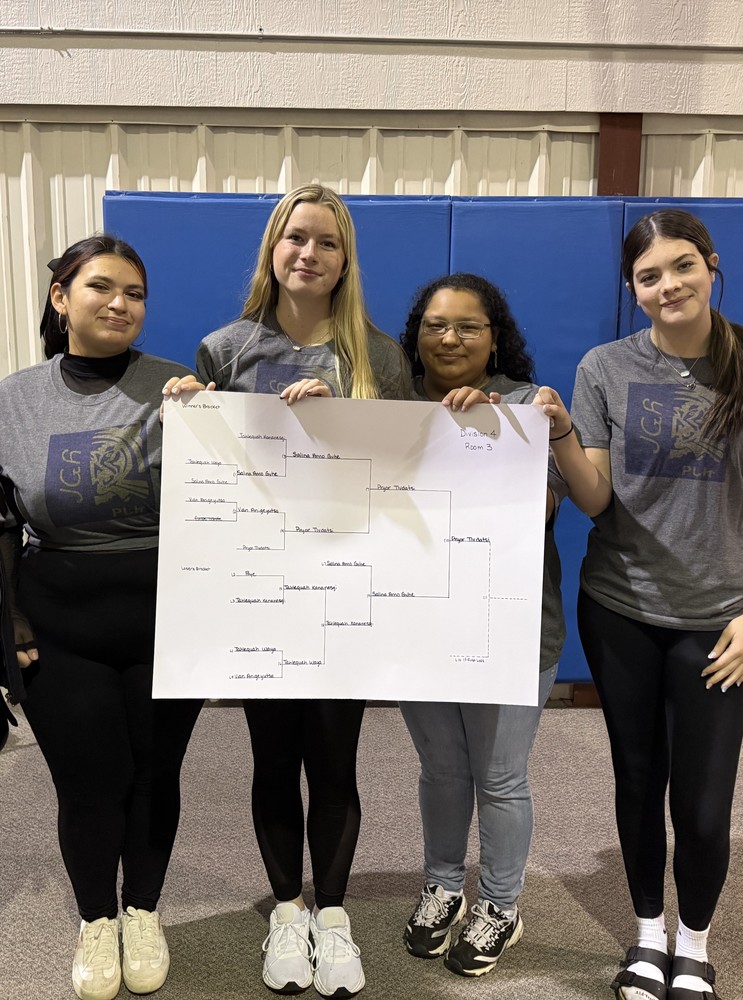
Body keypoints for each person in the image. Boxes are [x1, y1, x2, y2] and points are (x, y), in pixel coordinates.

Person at [535, 209, 743, 1000]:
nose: (669, 285)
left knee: (701, 802)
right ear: (634, 290)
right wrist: (562, 430)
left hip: (718, 621)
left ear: (711, 265)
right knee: (637, 779)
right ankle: (644, 936)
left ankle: (694, 941)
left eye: (682, 267)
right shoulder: (605, 367)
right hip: (619, 607)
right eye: (649, 276)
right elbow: (596, 499)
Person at [164, 183, 411, 998]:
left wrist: (349, 420)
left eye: (328, 242)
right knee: (273, 757)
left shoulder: (379, 355)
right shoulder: (224, 349)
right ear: (273, 249)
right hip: (256, 591)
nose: (310, 254)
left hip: (344, 588)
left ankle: (332, 918)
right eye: (295, 238)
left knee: (335, 759)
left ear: (347, 260)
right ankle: (285, 909)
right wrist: (190, 415)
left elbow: (410, 473)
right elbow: (201, 477)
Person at [0, 235, 204, 1000]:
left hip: (170, 618)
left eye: (136, 293)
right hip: (58, 625)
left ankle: (143, 911)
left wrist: (212, 421)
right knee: (90, 783)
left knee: (155, 775)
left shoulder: (181, 388)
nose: (122, 304)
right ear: (62, 297)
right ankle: (96, 919)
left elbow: (240, 488)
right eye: (102, 287)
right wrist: (10, 626)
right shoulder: (13, 397)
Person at [397, 273, 567, 978]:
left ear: (496, 336)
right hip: (417, 620)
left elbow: (551, 508)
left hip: (511, 627)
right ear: (416, 335)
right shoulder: (391, 408)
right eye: (436, 324)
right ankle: (442, 886)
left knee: (499, 776)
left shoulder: (528, 407)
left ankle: (500, 904)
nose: (450, 338)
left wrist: (493, 436)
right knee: (441, 767)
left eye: (469, 325)